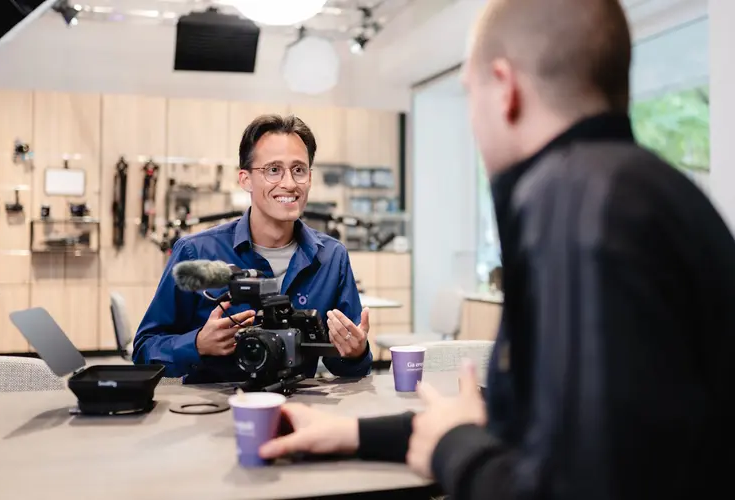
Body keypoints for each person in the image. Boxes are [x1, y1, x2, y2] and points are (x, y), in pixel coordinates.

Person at [258, 0, 735, 498]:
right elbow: (531, 423)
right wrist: (351, 434)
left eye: (470, 95)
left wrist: (454, 449)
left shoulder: (576, 204)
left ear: (505, 89)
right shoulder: (634, 189)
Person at [133, 114, 373, 383]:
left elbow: (347, 366)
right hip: (214, 412)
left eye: (299, 169)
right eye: (273, 170)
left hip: (300, 412)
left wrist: (356, 352)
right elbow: (144, 349)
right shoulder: (195, 252)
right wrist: (197, 344)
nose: (289, 183)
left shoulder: (331, 257)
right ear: (245, 179)